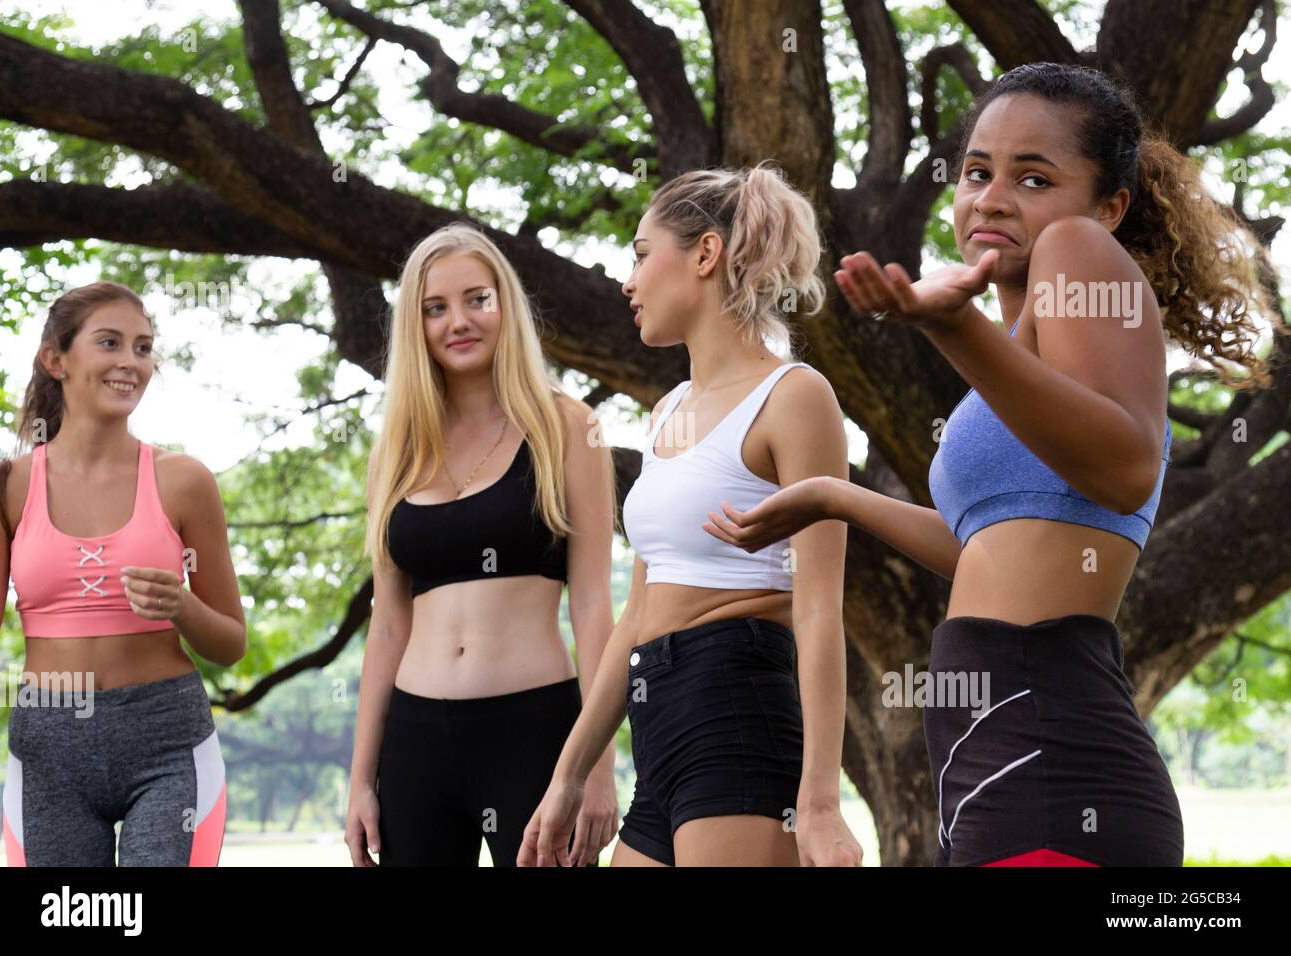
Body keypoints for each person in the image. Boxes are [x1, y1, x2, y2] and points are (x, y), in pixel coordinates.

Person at [706, 63, 1283, 866]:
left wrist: (954, 330)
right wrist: (837, 497)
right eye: (978, 171)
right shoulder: (1021, 354)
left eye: (1034, 176)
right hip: (997, 770)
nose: (993, 196)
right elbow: (984, 545)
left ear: (1108, 206)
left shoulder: (1075, 251)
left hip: (1052, 762)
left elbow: (1122, 468)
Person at [519, 163, 864, 867]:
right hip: (660, 714)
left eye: (642, 255)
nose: (628, 281)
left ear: (705, 254)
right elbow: (639, 610)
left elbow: (820, 609)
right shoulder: (666, 413)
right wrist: (567, 776)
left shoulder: (795, 396)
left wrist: (821, 802)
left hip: (738, 702)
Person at [346, 223, 618, 867]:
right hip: (415, 742)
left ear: (507, 306)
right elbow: (387, 625)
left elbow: (593, 607)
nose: (457, 321)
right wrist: (360, 780)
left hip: (534, 734)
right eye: (434, 308)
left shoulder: (569, 427)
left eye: (477, 299)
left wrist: (598, 769)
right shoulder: (399, 447)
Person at [0, 281, 245, 866]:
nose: (131, 363)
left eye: (143, 347)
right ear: (57, 359)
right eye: (110, 343)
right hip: (48, 747)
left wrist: (182, 607)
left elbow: (230, 642)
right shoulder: (6, 486)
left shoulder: (185, 480)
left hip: (167, 741)